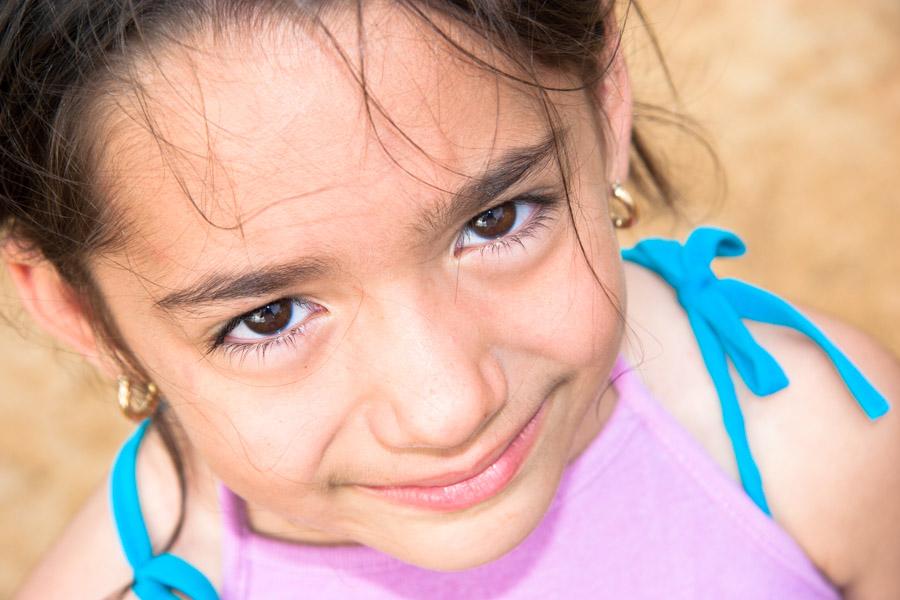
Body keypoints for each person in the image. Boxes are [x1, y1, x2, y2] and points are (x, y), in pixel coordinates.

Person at [2, 0, 898, 598]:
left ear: (602, 105)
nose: (448, 407)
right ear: (78, 313)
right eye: (266, 317)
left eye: (499, 219)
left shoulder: (817, 446)